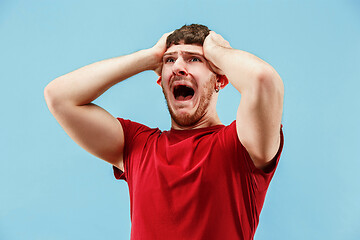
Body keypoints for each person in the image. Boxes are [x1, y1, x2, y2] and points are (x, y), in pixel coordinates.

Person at [44, 24, 284, 240]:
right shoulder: (137, 145)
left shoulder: (242, 145)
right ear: (160, 81)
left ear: (220, 80)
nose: (179, 67)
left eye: (194, 59)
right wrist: (150, 57)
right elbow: (59, 97)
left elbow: (263, 81)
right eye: (170, 61)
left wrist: (215, 50)